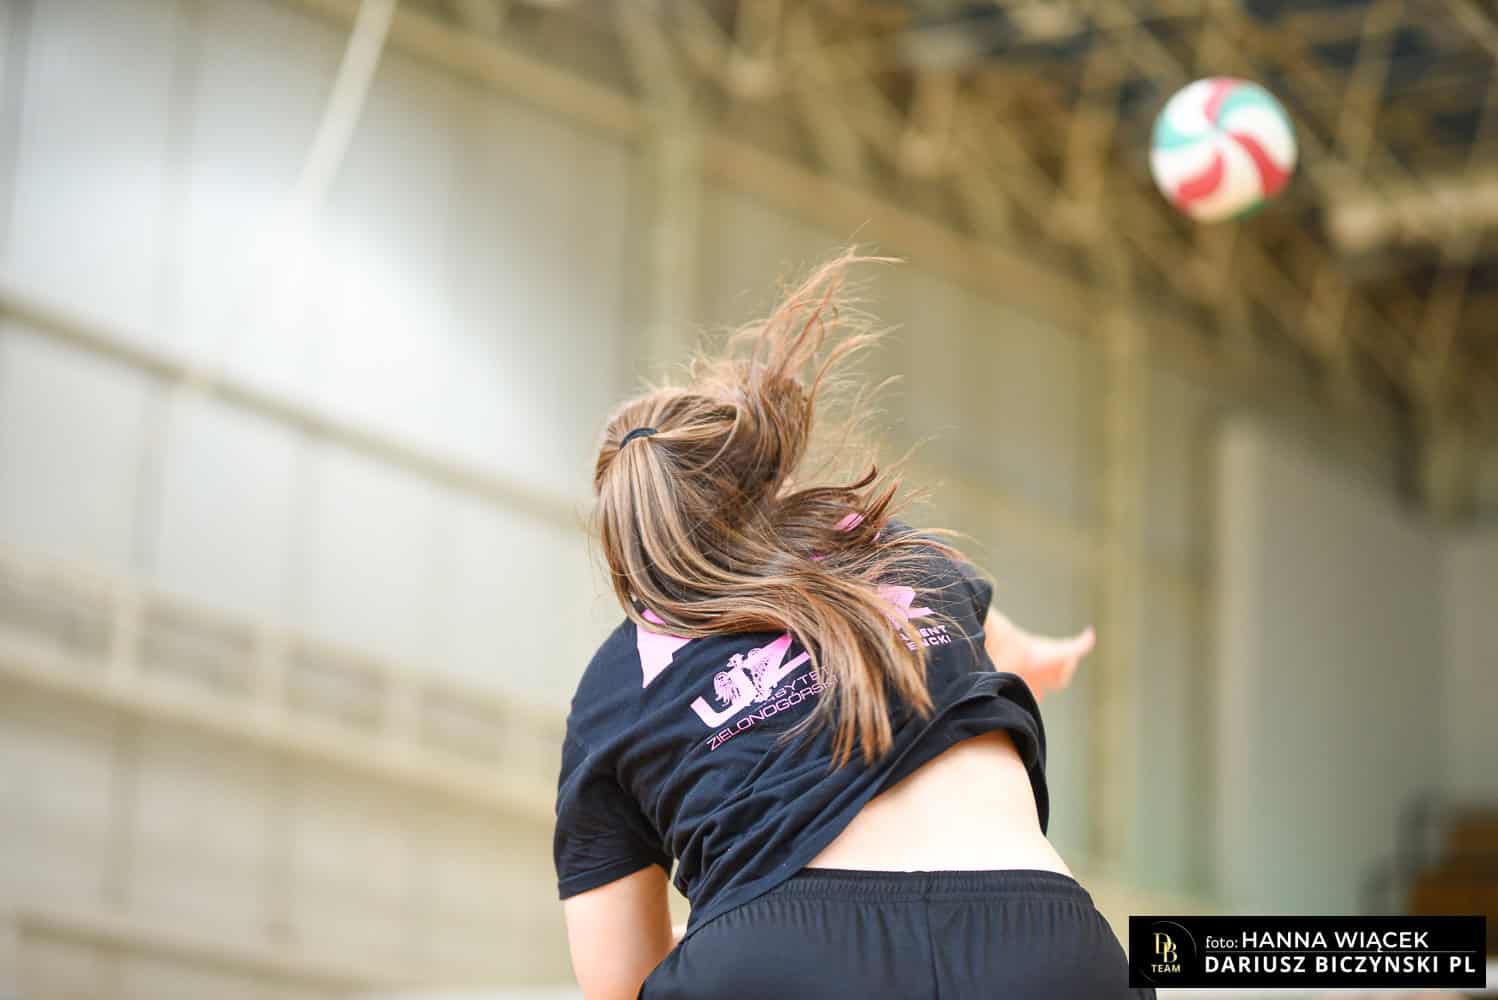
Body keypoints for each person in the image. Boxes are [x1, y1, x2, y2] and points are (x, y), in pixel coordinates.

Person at [554, 251, 1153, 999]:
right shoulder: (891, 551)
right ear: (764, 479)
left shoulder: (615, 686)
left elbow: (616, 980)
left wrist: (735, 935)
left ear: (634, 543)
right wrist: (1042, 657)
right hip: (1045, 944)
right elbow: (1002, 638)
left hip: (777, 957)